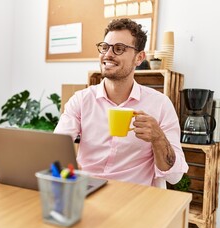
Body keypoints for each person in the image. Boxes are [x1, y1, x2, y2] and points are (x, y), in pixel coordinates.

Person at [54, 18, 188, 188]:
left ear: (139, 58)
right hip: (87, 191)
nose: (108, 54)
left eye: (119, 49)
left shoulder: (160, 104)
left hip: (134, 199)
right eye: (105, 47)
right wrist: (66, 166)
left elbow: (175, 177)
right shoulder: (81, 100)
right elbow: (56, 148)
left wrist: (158, 138)